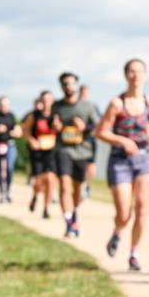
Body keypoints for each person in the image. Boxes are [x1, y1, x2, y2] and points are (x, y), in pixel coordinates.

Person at [95, 59, 149, 271]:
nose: (136, 76)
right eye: (132, 72)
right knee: (124, 212)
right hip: (120, 160)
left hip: (144, 158)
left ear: (145, 75)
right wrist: (123, 141)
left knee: (143, 208)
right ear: (126, 75)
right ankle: (117, 232)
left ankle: (133, 253)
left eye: (140, 71)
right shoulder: (117, 103)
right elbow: (101, 132)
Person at [51, 71, 99, 237]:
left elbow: (98, 128)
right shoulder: (56, 106)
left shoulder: (88, 106)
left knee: (78, 189)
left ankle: (74, 212)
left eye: (71, 83)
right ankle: (69, 222)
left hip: (82, 151)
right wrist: (55, 126)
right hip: (63, 150)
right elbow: (52, 124)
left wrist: (85, 128)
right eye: (65, 84)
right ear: (61, 86)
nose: (68, 87)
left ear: (77, 85)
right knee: (64, 184)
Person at [22, 91, 58, 218]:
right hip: (37, 152)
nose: (46, 103)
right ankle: (35, 196)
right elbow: (25, 130)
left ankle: (46, 208)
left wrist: (58, 125)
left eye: (49, 100)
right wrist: (32, 141)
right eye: (44, 100)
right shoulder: (34, 116)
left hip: (52, 151)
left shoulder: (57, 115)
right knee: (39, 181)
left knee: (50, 178)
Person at [0, 96, 22, 203]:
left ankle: (8, 191)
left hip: (10, 145)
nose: (5, 107)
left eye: (7, 105)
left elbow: (17, 129)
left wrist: (17, 132)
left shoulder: (11, 115)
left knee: (9, 168)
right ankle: (2, 192)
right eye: (3, 105)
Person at [79, 84, 101, 198]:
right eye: (82, 93)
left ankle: (87, 185)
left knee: (91, 168)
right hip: (78, 142)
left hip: (90, 140)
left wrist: (87, 129)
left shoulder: (93, 107)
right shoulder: (75, 106)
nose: (84, 95)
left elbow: (99, 124)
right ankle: (81, 185)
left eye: (86, 93)